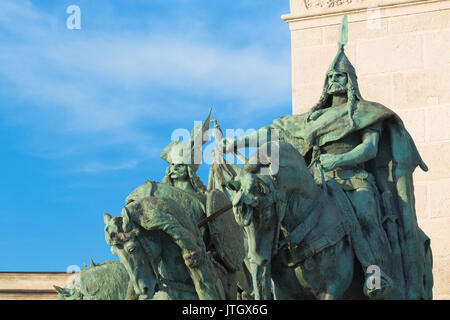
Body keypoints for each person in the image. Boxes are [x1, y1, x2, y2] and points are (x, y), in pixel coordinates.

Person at [220, 16, 432, 299]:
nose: (334, 81)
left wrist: (338, 161)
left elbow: (369, 150)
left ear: (351, 82)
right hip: (316, 180)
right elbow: (272, 132)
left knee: (367, 217)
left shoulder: (363, 113)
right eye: (330, 77)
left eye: (340, 77)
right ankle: (261, 280)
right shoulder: (311, 118)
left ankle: (375, 273)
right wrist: (238, 142)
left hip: (354, 181)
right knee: (274, 214)